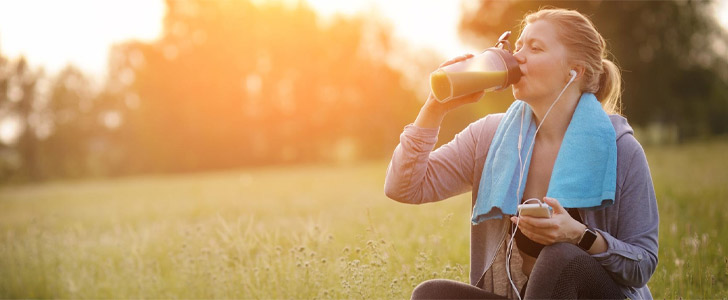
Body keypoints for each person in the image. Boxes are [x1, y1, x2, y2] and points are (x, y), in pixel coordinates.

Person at [384, 7, 658, 299]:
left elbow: (642, 265)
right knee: (431, 294)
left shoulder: (619, 148)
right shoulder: (490, 137)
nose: (518, 57)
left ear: (574, 71)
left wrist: (579, 235)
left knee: (560, 258)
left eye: (535, 48)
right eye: (517, 46)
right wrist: (434, 107)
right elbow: (404, 187)